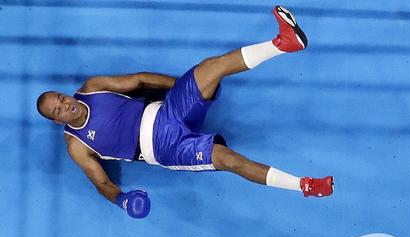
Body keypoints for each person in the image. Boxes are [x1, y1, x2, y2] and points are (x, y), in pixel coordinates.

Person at [36, 6, 333, 219]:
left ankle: (283, 43)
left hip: (168, 110)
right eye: (57, 110)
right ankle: (305, 185)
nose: (64, 105)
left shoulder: (92, 87)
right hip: (167, 148)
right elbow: (101, 183)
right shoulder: (77, 145)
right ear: (57, 120)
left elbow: (140, 80)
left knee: (209, 68)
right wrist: (122, 201)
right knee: (229, 160)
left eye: (60, 98)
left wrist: (187, 88)